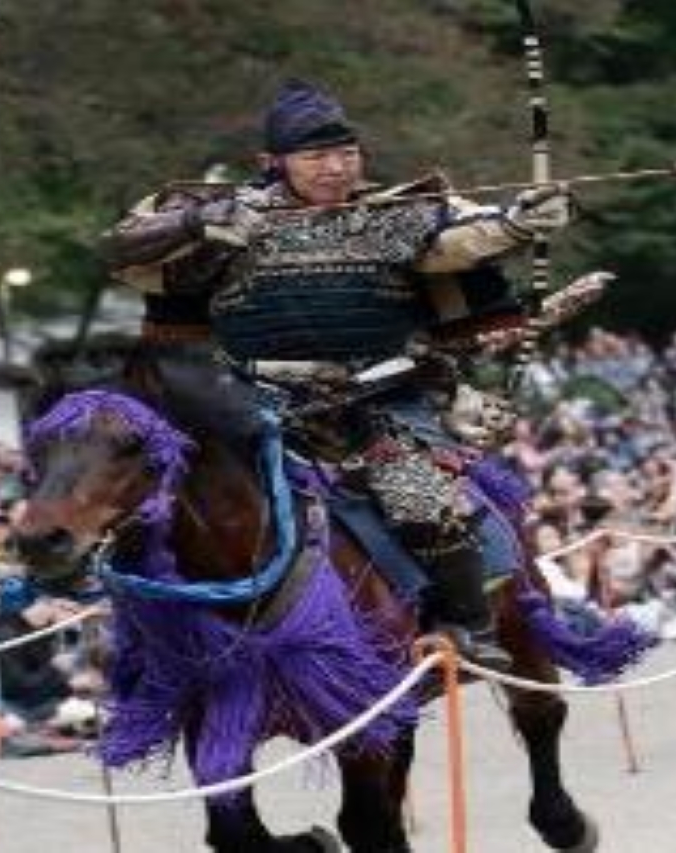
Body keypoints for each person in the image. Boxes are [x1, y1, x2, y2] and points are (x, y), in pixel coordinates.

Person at [102, 79, 580, 666]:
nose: (335, 168)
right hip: (252, 402)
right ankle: (151, 643)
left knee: (421, 495)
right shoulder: (227, 221)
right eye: (317, 157)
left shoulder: (392, 216)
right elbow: (125, 256)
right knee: (162, 495)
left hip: (378, 399)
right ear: (272, 163)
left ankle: (468, 626)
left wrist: (520, 224)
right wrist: (196, 225)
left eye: (347, 155)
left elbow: (458, 240)